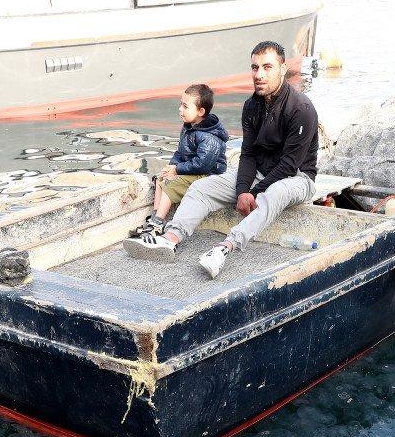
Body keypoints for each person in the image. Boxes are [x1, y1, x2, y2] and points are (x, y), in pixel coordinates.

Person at [124, 41, 319, 279]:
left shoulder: (301, 108)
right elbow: (248, 153)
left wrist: (255, 191)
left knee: (274, 194)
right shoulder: (251, 106)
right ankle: (170, 238)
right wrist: (242, 190)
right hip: (261, 172)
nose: (259, 74)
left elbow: (290, 165)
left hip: (297, 177)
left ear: (283, 68)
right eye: (255, 68)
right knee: (201, 187)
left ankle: (225, 248)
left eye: (267, 67)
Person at [129, 83, 229, 239]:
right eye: (180, 104)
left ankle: (158, 223)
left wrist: (177, 170)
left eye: (185, 106)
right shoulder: (189, 127)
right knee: (162, 178)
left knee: (171, 184)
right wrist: (172, 167)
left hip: (207, 175)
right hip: (193, 170)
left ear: (200, 111)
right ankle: (154, 220)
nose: (180, 109)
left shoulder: (209, 137)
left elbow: (202, 164)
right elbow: (181, 152)